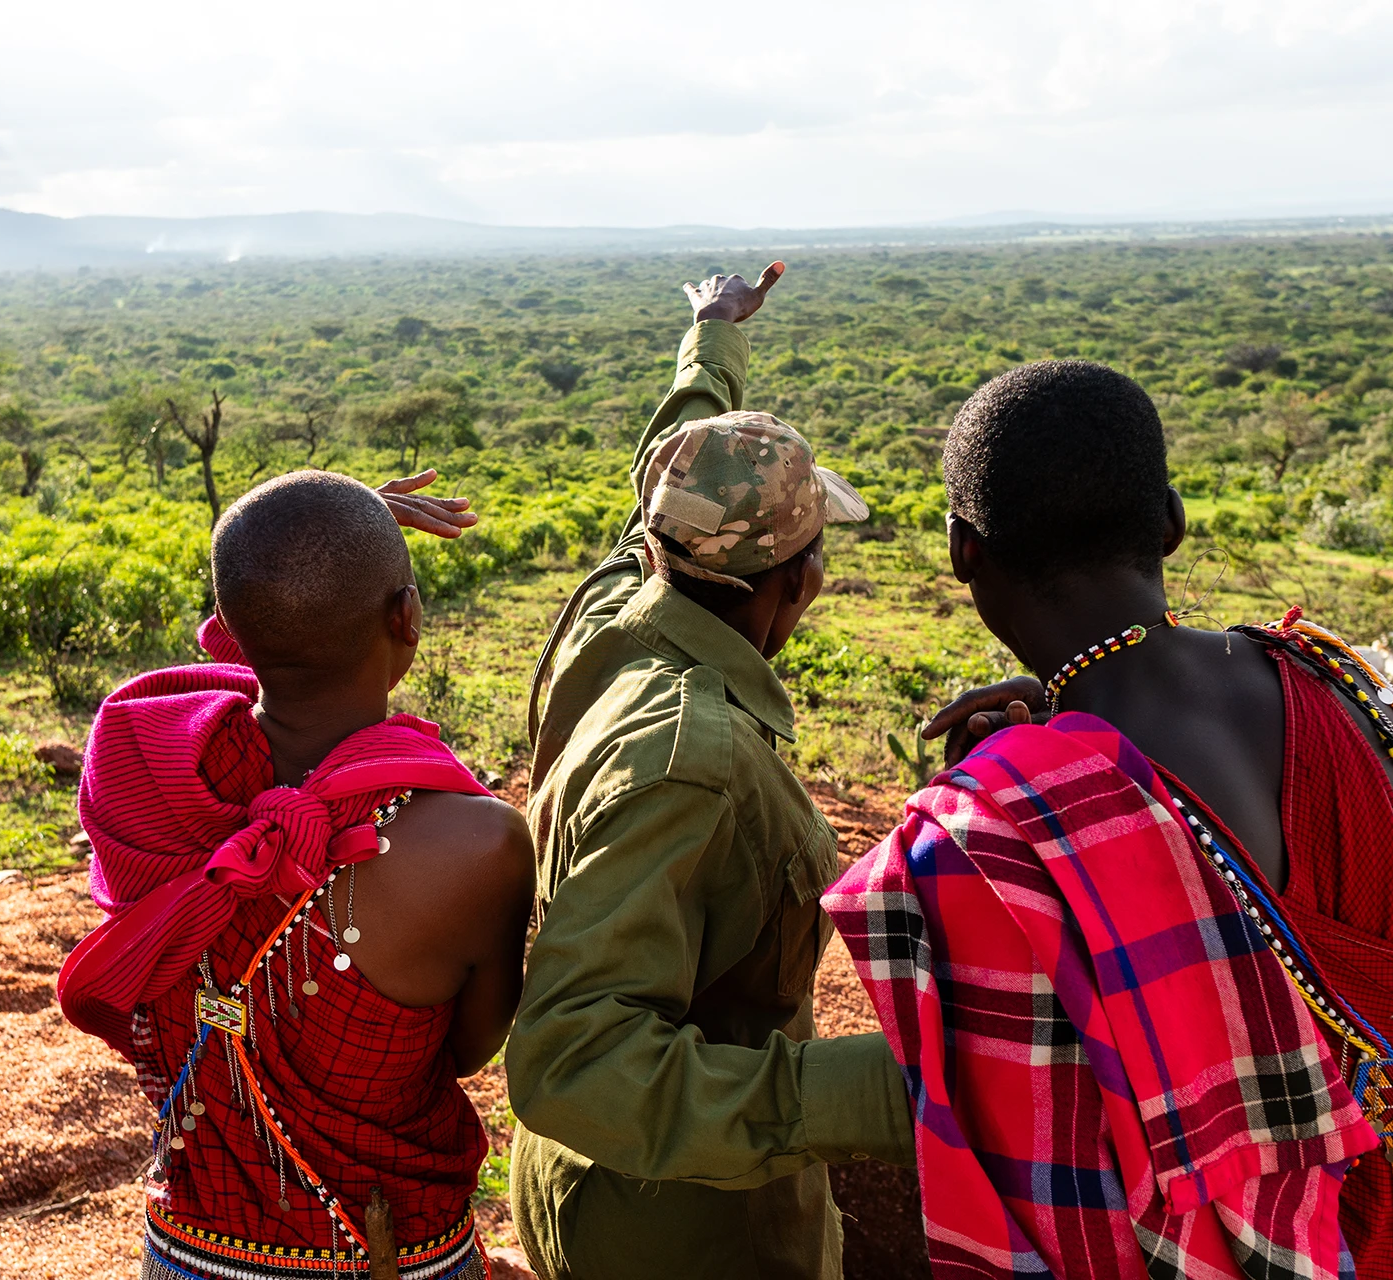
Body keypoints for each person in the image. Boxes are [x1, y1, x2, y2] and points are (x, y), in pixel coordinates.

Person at [824, 361, 1393, 1279]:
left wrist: (1026, 775)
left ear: (962, 552)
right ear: (1172, 523)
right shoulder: (1350, 689)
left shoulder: (981, 841)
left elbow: (1049, 1182)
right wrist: (1057, 738)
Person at [506, 265, 916, 1280]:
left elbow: (664, 470)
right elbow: (574, 1059)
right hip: (687, 1225)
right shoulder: (691, 760)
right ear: (800, 581)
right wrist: (888, 1090)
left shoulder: (620, 606)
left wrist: (714, 339)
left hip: (596, 1182)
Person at [57, 469, 534, 1280]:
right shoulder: (477, 845)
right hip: (388, 1253)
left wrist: (313, 552)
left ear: (235, 624)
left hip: (190, 1249)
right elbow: (467, 1050)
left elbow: (247, 628)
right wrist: (349, 547)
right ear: (408, 618)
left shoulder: (143, 764)